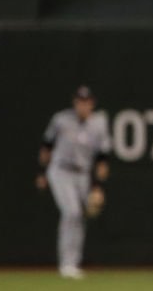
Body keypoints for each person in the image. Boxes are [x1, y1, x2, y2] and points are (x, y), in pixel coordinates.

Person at [35, 85, 111, 279]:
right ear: (75, 103)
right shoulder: (61, 120)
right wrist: (42, 173)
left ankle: (73, 262)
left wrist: (98, 186)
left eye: (86, 102)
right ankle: (67, 264)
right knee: (72, 212)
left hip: (83, 174)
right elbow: (46, 147)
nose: (83, 105)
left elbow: (102, 158)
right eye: (80, 102)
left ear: (92, 104)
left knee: (80, 216)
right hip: (60, 171)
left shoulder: (99, 124)